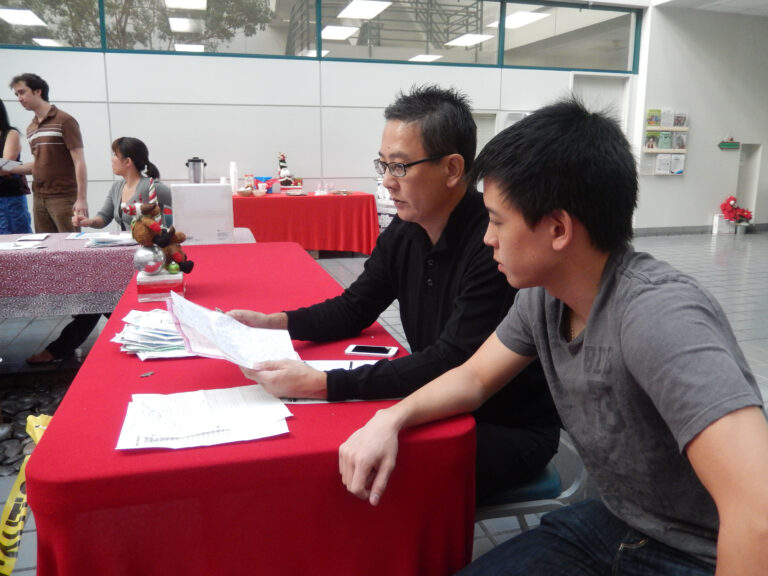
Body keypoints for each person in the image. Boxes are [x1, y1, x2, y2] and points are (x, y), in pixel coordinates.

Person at [338, 97, 768, 575]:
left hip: (698, 551)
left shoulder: (660, 317)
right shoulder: (544, 298)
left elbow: (758, 514)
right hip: (616, 521)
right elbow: (474, 378)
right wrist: (390, 419)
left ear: (558, 228)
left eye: (498, 222)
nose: (487, 238)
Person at [229, 85, 560, 501]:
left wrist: (324, 383)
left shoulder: (494, 245)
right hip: (437, 397)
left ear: (454, 168)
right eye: (383, 165)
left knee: (360, 469)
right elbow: (355, 306)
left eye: (400, 167)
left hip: (503, 424)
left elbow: (452, 361)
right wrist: (276, 323)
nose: (387, 182)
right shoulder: (405, 232)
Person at [26, 137, 171, 364]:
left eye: (115, 155)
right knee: (98, 298)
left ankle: (59, 349)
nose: (111, 160)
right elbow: (103, 218)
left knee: (96, 299)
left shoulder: (154, 188)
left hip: (146, 259)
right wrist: (85, 221)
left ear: (128, 161)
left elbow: (168, 225)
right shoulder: (117, 187)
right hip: (121, 257)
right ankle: (130, 332)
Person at [8, 73, 88, 231]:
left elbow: (79, 161)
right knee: (45, 249)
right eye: (17, 94)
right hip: (39, 197)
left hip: (63, 197)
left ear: (38, 91)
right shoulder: (31, 128)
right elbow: (38, 165)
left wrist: (81, 199)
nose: (19, 98)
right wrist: (3, 164)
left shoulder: (64, 120)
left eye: (22, 92)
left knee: (70, 247)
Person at [0, 98, 32, 233]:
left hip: (8, 198)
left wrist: (6, 165)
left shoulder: (10, 134)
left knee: (16, 240)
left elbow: (6, 166)